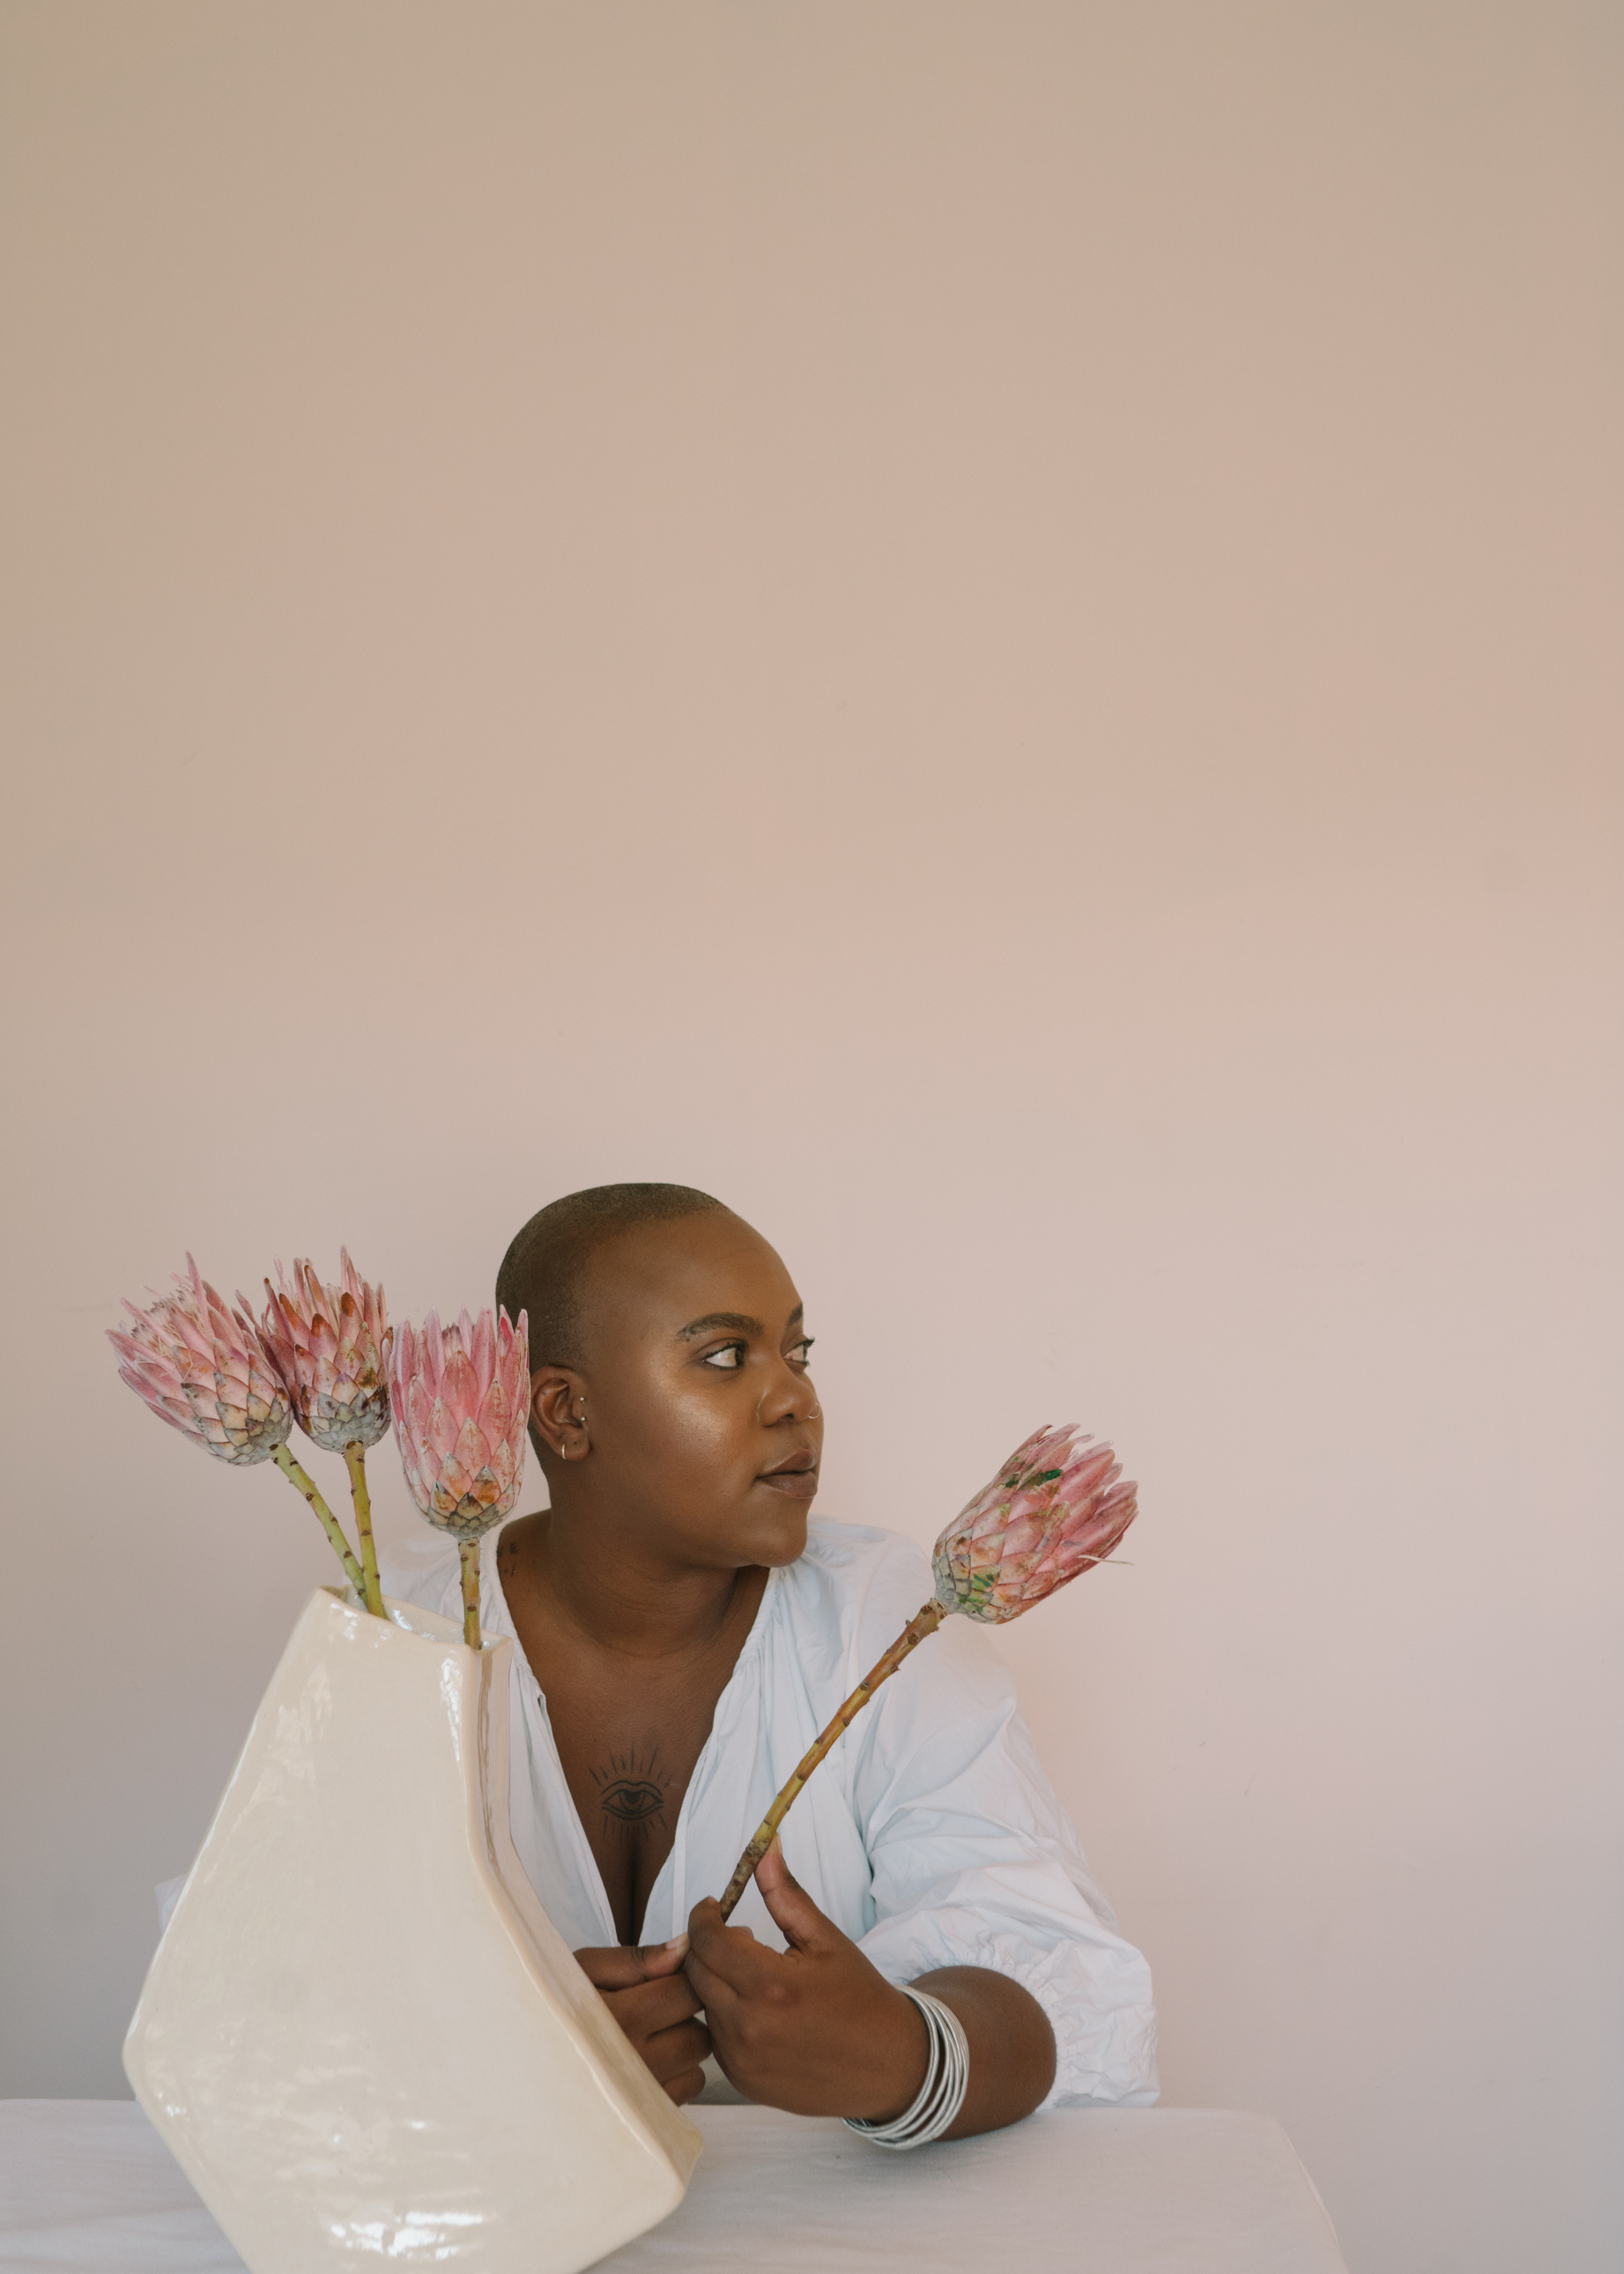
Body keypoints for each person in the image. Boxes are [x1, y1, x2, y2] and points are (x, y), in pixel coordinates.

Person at [379, 1184, 1156, 2142]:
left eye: (797, 1352)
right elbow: (262, 1992)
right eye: (722, 1356)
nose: (795, 1398)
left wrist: (911, 2056)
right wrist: (475, 2052)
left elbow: (1055, 1968)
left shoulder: (886, 1615)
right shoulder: (389, 1634)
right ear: (564, 1413)